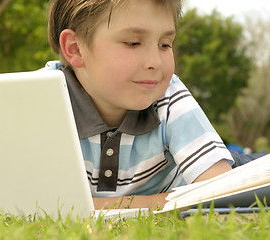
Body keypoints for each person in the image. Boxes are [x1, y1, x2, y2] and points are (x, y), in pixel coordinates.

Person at [44, 0, 234, 210]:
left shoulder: (168, 96)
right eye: (133, 43)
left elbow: (221, 189)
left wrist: (93, 207)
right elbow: (24, 200)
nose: (155, 62)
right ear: (75, 48)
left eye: (165, 44)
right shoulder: (41, 99)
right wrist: (157, 202)